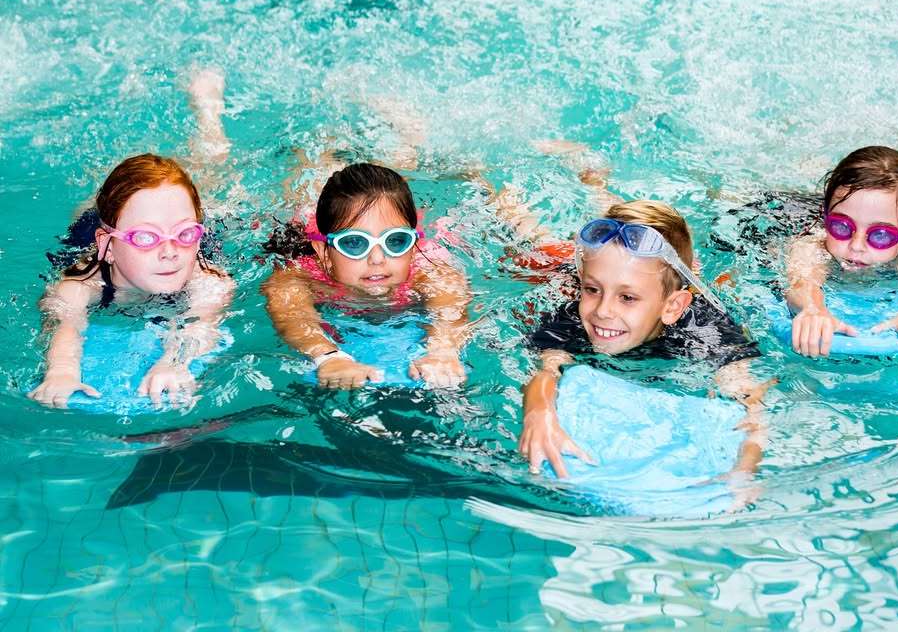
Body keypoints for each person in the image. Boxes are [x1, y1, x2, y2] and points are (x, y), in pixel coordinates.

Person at [516, 199, 770, 486]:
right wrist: (539, 414)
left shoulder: (708, 330)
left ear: (673, 307)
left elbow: (750, 404)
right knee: (528, 240)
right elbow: (546, 372)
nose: (602, 311)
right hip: (557, 270)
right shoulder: (570, 316)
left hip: (677, 289)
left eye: (627, 298)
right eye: (592, 290)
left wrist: (745, 470)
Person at [28, 153, 234, 408]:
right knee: (89, 213)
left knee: (212, 169)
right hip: (94, 235)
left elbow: (201, 325)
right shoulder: (80, 284)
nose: (170, 251)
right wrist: (61, 373)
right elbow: (65, 325)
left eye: (185, 233)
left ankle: (210, 131)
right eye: (146, 238)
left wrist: (174, 363)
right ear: (109, 246)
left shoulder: (211, 280)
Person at [262, 162, 471, 389]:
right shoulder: (303, 274)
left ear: (413, 246)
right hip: (315, 222)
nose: (377, 258)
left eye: (396, 240)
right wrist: (328, 356)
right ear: (324, 253)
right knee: (305, 185)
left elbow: (450, 310)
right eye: (354, 243)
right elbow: (291, 313)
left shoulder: (428, 270)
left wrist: (442, 350)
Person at [786, 146, 898, 357]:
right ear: (825, 220)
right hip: (797, 210)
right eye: (841, 227)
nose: (856, 246)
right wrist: (813, 308)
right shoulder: (812, 247)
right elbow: (802, 282)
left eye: (880, 235)